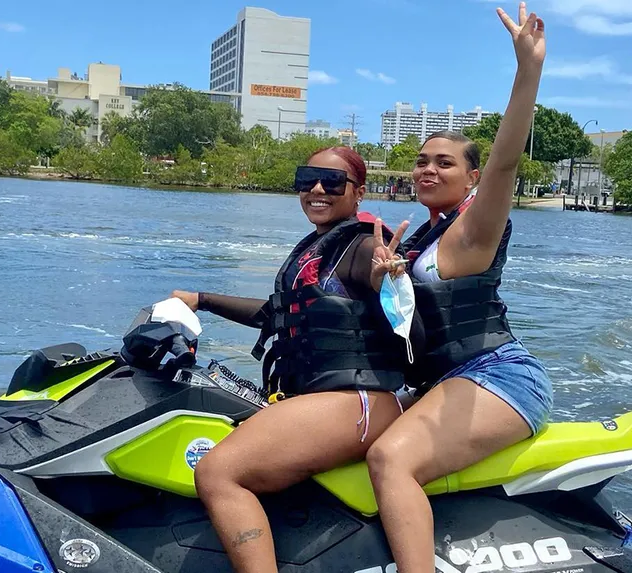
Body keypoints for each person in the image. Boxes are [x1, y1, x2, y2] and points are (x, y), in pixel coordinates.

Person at [364, 4, 554, 573]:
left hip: (496, 378)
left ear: (470, 177)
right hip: (438, 382)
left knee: (389, 461)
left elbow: (504, 165)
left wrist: (528, 70)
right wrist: (386, 280)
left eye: (443, 163)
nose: (426, 170)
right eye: (420, 161)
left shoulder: (476, 226)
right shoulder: (423, 236)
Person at [169, 146, 420, 573]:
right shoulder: (319, 249)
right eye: (307, 179)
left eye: (332, 181)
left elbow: (381, 286)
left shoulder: (361, 246)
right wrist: (202, 300)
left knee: (217, 473)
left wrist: (386, 280)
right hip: (323, 399)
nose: (317, 189)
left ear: (357, 192)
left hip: (356, 399)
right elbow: (277, 314)